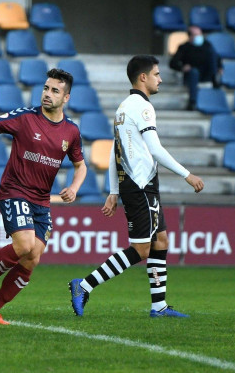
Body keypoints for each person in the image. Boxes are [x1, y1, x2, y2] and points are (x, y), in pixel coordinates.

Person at [69, 55, 204, 318]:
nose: (160, 79)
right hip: (140, 185)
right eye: (156, 74)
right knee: (141, 249)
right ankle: (83, 285)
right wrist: (187, 174)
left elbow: (114, 152)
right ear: (143, 77)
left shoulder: (123, 107)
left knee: (161, 240)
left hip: (140, 184)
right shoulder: (142, 107)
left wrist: (113, 190)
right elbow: (155, 149)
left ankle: (159, 306)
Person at [0, 68, 87, 325]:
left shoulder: (71, 132)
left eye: (55, 91)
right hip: (14, 191)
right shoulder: (26, 117)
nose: (47, 94)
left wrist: (74, 187)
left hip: (41, 200)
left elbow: (81, 166)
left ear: (66, 98)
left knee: (32, 258)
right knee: (23, 246)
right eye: (45, 88)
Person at [169, 26, 223, 110]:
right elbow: (172, 63)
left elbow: (217, 58)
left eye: (200, 34)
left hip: (206, 74)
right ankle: (192, 102)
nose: (199, 37)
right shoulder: (184, 47)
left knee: (212, 55)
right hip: (191, 75)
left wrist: (220, 67)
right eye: (196, 35)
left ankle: (215, 80)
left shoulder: (207, 45)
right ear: (190, 37)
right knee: (194, 72)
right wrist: (182, 68)